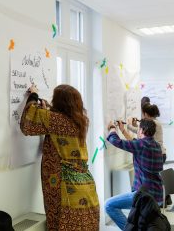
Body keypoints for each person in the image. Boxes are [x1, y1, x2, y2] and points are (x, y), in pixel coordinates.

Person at [20, 84, 99, 231]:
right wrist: (46, 110)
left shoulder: (56, 120)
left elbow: (27, 125)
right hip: (85, 185)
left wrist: (33, 96)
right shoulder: (80, 120)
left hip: (66, 187)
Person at [105, 119, 163, 230]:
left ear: (141, 130)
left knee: (109, 205)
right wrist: (122, 130)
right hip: (157, 195)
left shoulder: (141, 145)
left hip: (144, 196)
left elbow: (115, 141)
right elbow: (134, 143)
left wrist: (112, 129)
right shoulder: (155, 146)